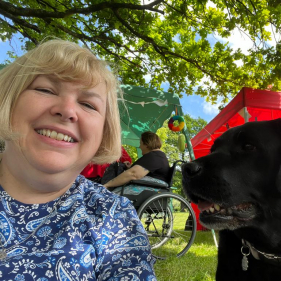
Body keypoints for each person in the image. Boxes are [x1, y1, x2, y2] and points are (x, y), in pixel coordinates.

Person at [0, 39, 156, 280]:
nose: (67, 110)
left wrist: (109, 186)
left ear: (103, 133)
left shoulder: (112, 216)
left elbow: (134, 174)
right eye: (45, 89)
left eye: (87, 104)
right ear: (8, 101)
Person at [104, 131, 170, 190]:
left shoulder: (154, 157)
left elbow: (133, 174)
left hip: (147, 189)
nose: (139, 146)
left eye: (141, 143)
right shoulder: (158, 156)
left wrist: (108, 185)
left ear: (146, 145)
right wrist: (130, 167)